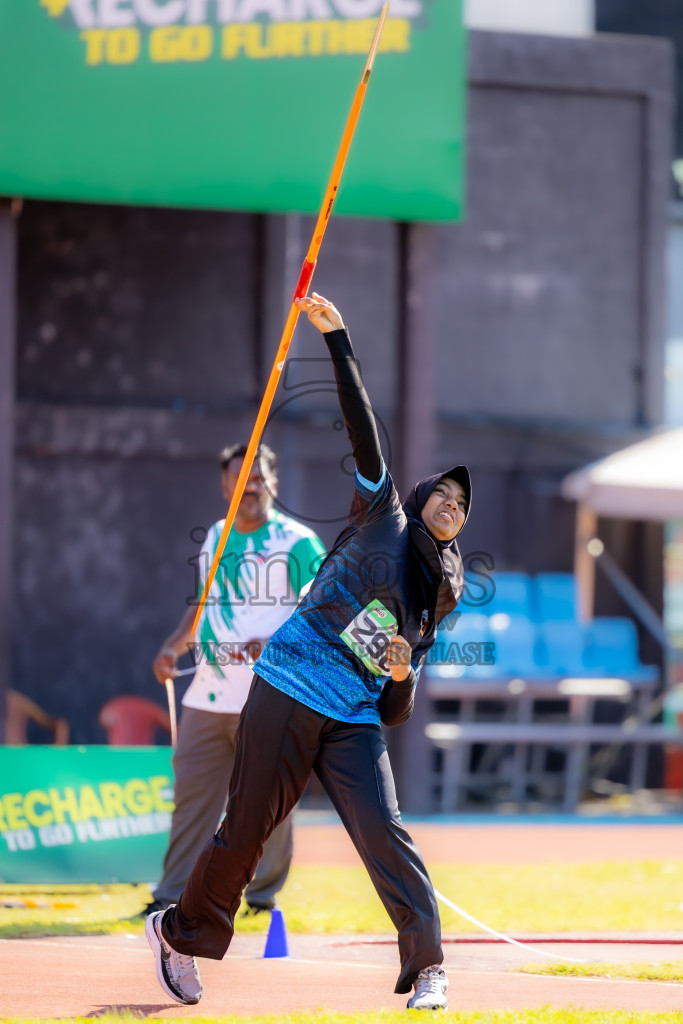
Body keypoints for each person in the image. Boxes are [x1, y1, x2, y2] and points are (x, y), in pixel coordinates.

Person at [144, 294, 471, 1011]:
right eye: (443, 493)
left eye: (462, 504)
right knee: (245, 834)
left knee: (385, 833)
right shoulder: (381, 513)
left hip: (353, 717)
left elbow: (397, 706)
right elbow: (363, 428)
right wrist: (339, 340)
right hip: (288, 687)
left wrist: (399, 673)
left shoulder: (434, 596)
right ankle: (177, 932)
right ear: (418, 498)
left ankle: (428, 969)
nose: (452, 502)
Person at [140, 442, 326, 918]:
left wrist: (276, 642)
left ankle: (261, 898)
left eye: (260, 478)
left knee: (270, 802)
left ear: (275, 484)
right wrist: (172, 647)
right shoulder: (216, 536)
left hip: (272, 697)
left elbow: (325, 610)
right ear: (225, 485)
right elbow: (203, 606)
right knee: (191, 801)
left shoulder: (297, 542)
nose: (251, 486)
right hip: (206, 694)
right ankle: (171, 897)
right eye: (242, 479)